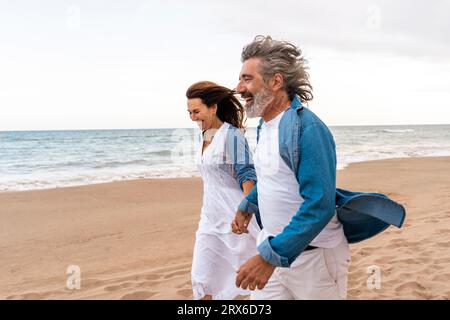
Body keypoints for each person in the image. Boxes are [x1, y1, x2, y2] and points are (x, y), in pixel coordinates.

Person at [231, 36, 406, 300]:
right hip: (274, 249)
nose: (238, 87)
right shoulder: (264, 126)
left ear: (276, 82)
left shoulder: (307, 129)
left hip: (316, 261)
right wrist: (248, 205)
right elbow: (272, 179)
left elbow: (319, 205)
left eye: (247, 79)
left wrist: (268, 258)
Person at [186, 81, 260, 300]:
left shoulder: (232, 135)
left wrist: (246, 211)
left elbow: (247, 174)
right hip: (209, 219)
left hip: (235, 218)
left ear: (213, 107)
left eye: (196, 111)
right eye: (189, 113)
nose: (192, 117)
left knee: (255, 280)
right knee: (202, 279)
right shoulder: (206, 136)